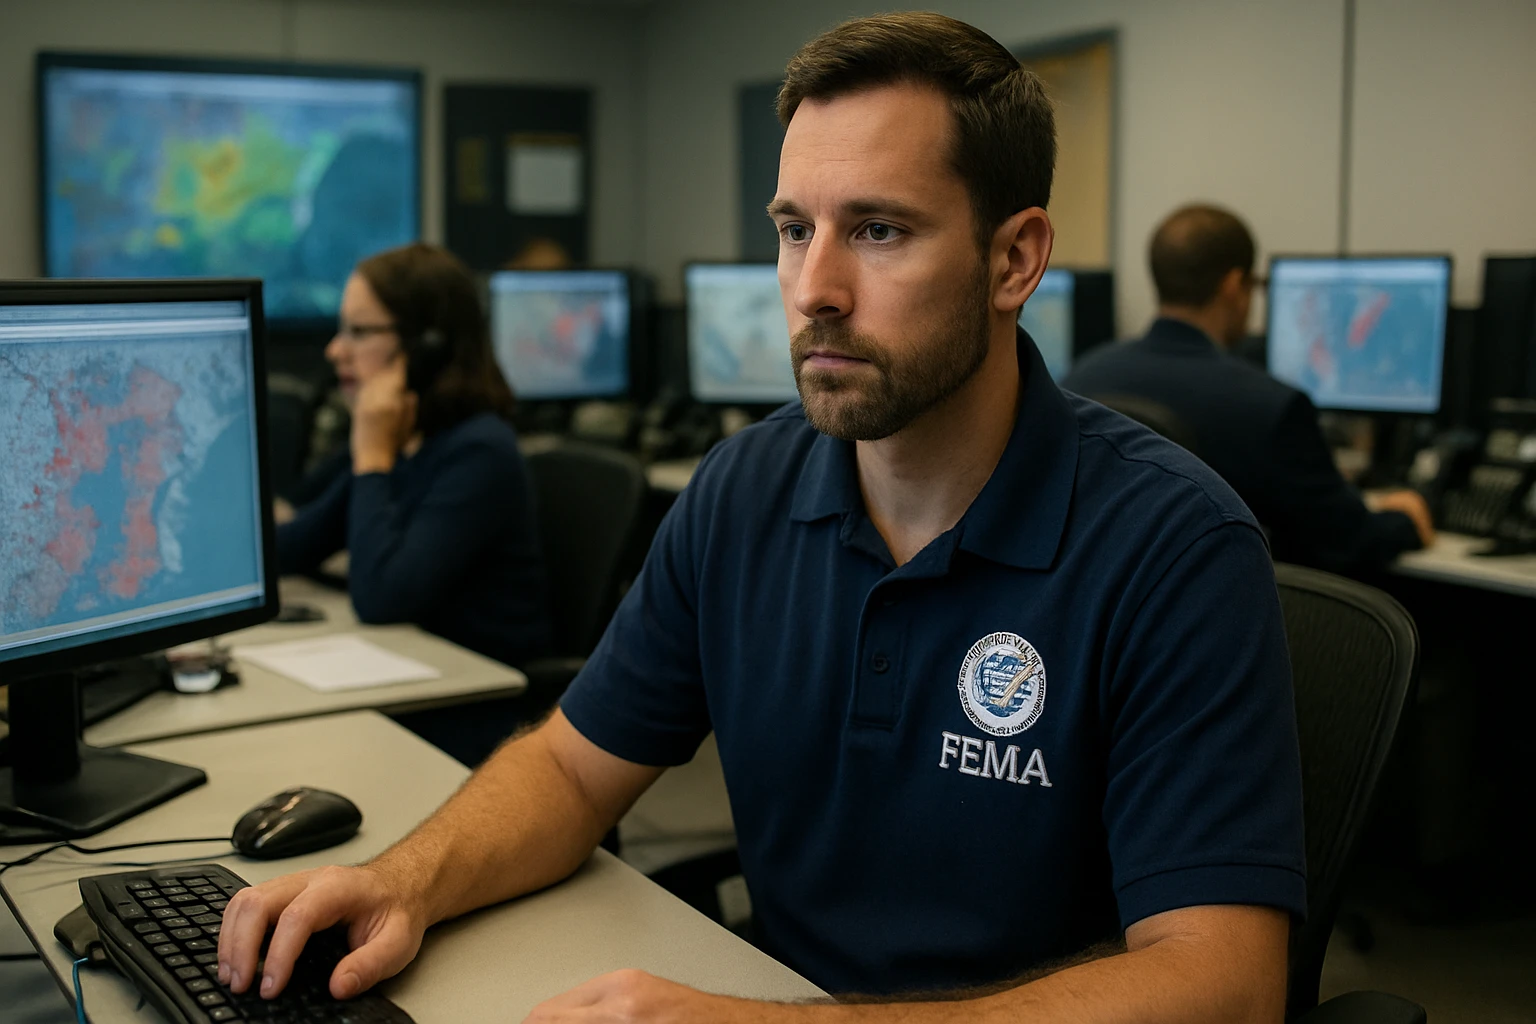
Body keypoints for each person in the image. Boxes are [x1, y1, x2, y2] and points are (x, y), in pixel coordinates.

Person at [221, 15, 1303, 1022]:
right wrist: (401, 882)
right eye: (795, 230)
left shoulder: (1173, 547)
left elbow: (1224, 981)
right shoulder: (742, 491)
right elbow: (567, 770)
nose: (813, 287)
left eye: (878, 230)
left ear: (1014, 259)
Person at [1064, 204, 1435, 572]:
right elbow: (1351, 540)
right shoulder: (1273, 407)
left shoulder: (1080, 379)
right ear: (1233, 286)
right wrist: (1406, 518)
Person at [275, 242, 552, 668]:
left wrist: (371, 456)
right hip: (411, 669)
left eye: (359, 331)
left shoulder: (480, 451)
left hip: (474, 696)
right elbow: (295, 547)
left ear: (427, 347)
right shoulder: (406, 438)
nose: (335, 350)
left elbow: (381, 599)